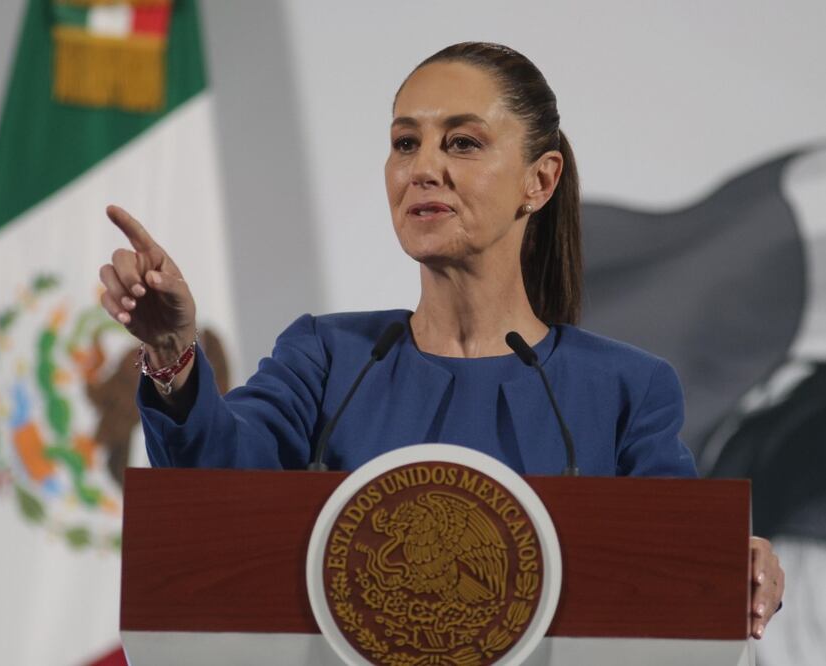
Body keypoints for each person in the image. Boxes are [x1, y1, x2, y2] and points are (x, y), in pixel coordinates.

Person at [97, 41, 783, 638]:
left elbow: (674, 565)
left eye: (462, 142)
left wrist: (734, 562)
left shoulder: (624, 390)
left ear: (539, 180)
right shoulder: (327, 359)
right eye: (405, 143)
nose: (422, 168)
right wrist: (171, 354)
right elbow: (216, 489)